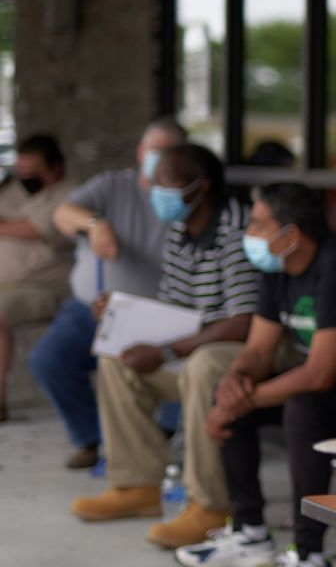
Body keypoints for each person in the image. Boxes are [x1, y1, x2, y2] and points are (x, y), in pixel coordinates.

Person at [174, 183, 336, 567]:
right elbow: (256, 351)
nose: (248, 233)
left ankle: (308, 552)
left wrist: (231, 405)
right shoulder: (278, 270)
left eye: (258, 224)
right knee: (233, 394)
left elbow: (319, 374)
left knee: (302, 406)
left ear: (291, 235)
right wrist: (235, 383)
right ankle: (250, 533)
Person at [71, 144, 260, 551]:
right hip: (198, 345)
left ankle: (211, 506)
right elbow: (175, 309)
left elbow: (244, 321)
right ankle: (136, 486)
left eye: (167, 183)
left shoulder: (236, 227)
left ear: (201, 188)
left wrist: (169, 351)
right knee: (116, 359)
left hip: (249, 351)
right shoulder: (180, 230)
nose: (158, 191)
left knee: (205, 364)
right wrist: (121, 312)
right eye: (155, 182)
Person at [31, 118, 186, 468]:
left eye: (167, 151)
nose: (157, 157)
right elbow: (63, 213)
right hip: (92, 307)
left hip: (160, 314)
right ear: (140, 152)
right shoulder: (113, 185)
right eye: (153, 150)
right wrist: (95, 224)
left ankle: (154, 440)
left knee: (179, 366)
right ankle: (93, 439)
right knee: (49, 360)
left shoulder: (181, 199)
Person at [0, 134, 77, 421]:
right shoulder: (15, 190)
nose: (26, 178)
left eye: (34, 173)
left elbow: (33, 228)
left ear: (55, 168)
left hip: (44, 288)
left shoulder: (71, 194)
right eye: (22, 172)